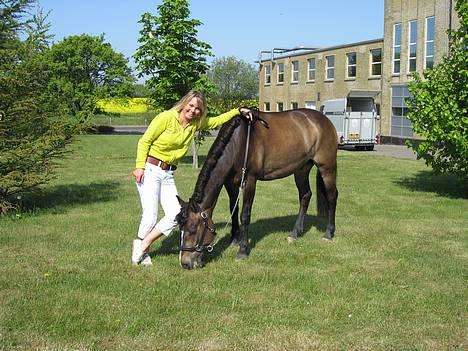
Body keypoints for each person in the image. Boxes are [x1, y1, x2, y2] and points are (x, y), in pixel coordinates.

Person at [131, 90, 253, 266]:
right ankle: (144, 253)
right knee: (150, 215)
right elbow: (145, 141)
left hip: (168, 174)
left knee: (177, 214)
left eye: (198, 108)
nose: (193, 110)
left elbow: (216, 121)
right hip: (150, 169)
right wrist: (139, 167)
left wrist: (238, 110)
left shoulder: (195, 124)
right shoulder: (166, 117)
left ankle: (142, 244)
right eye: (191, 105)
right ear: (184, 103)